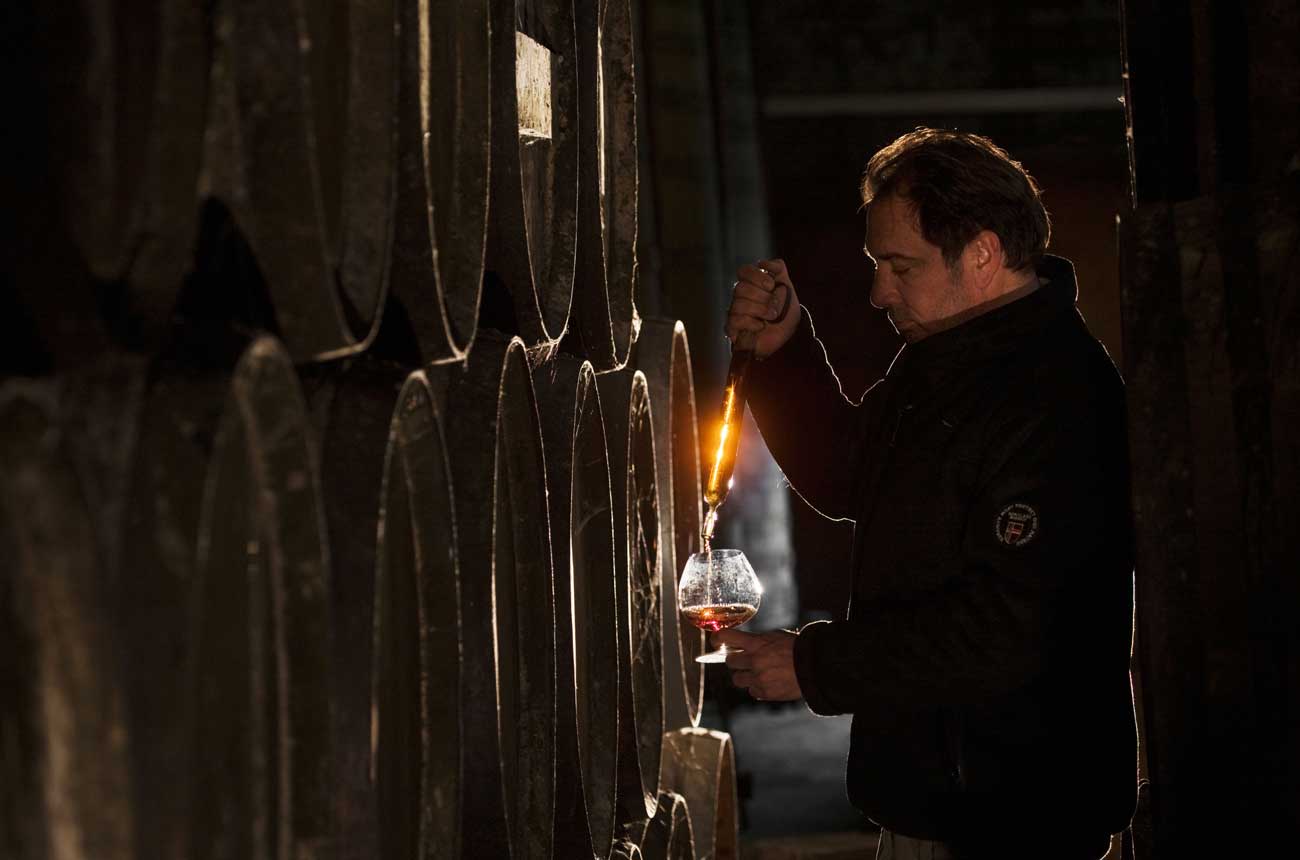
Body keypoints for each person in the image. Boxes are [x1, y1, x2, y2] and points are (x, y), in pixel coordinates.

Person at [716, 128, 1138, 859]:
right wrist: (786, 353)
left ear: (980, 252)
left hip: (1015, 813)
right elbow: (851, 473)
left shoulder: (1055, 396)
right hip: (938, 797)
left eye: (898, 266)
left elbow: (1011, 628)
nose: (880, 293)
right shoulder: (948, 361)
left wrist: (816, 665)